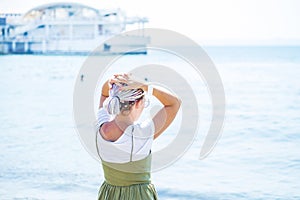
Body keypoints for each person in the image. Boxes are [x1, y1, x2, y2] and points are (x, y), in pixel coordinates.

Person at [95, 73, 181, 200]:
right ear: (137, 103)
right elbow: (175, 103)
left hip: (109, 195)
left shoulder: (100, 128)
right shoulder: (141, 135)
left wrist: (113, 81)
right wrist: (146, 87)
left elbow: (104, 94)